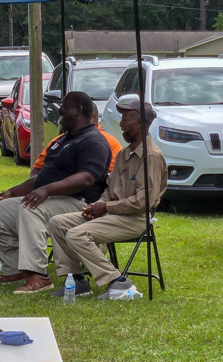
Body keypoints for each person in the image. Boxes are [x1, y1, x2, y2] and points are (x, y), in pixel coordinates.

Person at [0, 91, 111, 294]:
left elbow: (87, 177)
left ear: (78, 110)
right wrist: (9, 193)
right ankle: (17, 269)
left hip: (80, 203)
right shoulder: (63, 140)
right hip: (52, 198)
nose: (60, 110)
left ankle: (38, 276)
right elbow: (41, 178)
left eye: (65, 106)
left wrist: (47, 190)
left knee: (30, 208)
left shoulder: (93, 141)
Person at [48, 95, 168, 300]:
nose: (121, 124)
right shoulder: (123, 154)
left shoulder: (152, 157)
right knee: (57, 223)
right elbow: (110, 189)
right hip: (112, 215)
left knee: (76, 235)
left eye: (126, 119)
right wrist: (99, 204)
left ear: (139, 124)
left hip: (135, 219)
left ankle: (118, 281)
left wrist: (106, 208)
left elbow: (143, 202)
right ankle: (77, 281)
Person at [32, 103, 121, 176]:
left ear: (93, 118)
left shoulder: (109, 143)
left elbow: (110, 177)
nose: (63, 120)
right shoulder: (58, 141)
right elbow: (37, 168)